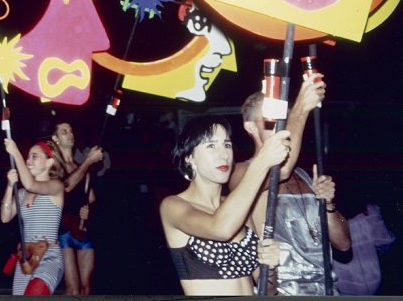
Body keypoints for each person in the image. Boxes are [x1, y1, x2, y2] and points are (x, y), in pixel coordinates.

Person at [234, 75, 352, 295]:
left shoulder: (305, 175)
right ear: (250, 127)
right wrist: (301, 108)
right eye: (272, 119)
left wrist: (328, 205)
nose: (282, 126)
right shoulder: (241, 172)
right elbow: (281, 169)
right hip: (282, 291)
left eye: (285, 118)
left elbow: (344, 244)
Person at [160, 115, 285, 295]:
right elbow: (220, 229)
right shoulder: (173, 205)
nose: (224, 154)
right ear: (189, 157)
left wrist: (270, 266)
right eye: (211, 145)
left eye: (227, 145)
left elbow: (268, 288)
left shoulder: (235, 208)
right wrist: (261, 162)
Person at [0, 138, 66, 295]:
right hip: (27, 257)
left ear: (49, 162)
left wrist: (15, 152)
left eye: (34, 157)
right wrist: (10, 187)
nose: (28, 161)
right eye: (27, 156)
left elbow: (31, 184)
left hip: (49, 256)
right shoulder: (22, 193)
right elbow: (5, 217)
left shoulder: (56, 186)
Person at [50, 122, 103, 295]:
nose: (70, 133)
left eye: (71, 130)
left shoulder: (82, 168)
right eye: (64, 131)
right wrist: (88, 161)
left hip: (82, 231)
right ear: (55, 139)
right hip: (63, 232)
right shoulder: (53, 167)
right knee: (73, 289)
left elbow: (92, 200)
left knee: (86, 287)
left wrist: (90, 210)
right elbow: (65, 186)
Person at [331, 198, 396, 295]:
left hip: (348, 286)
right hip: (346, 288)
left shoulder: (369, 209)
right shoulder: (369, 209)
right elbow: (386, 242)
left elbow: (385, 242)